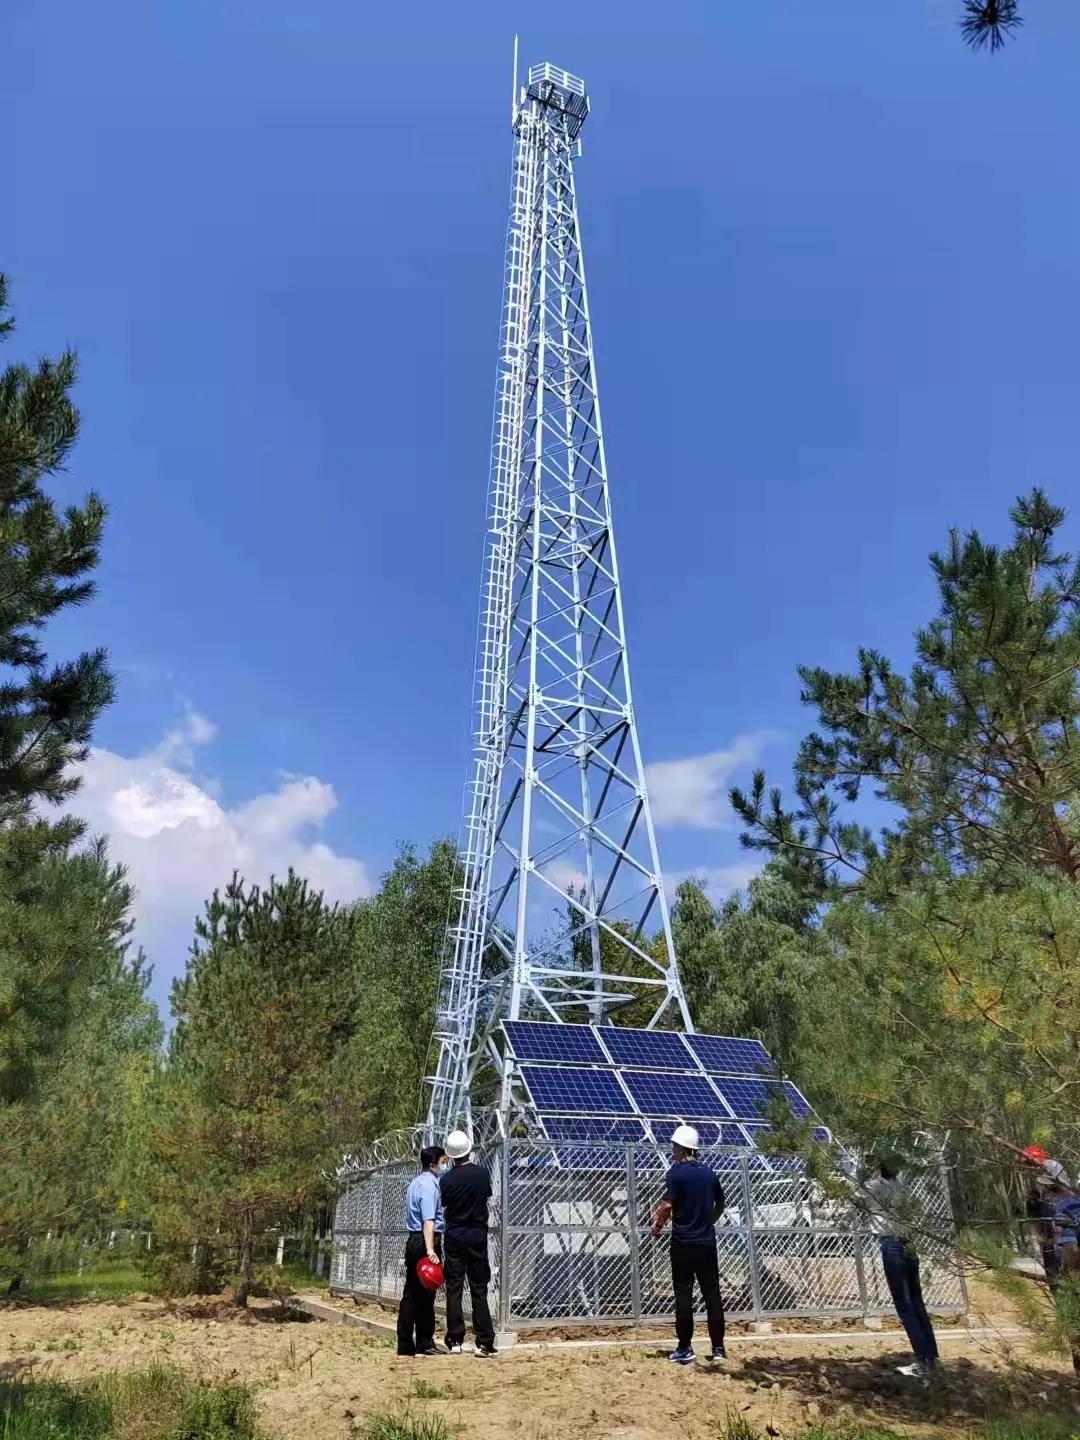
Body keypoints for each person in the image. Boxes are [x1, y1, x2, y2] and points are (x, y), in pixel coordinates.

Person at [650, 1123, 726, 1366]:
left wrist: (657, 1226)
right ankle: (718, 1349)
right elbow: (720, 1205)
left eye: (674, 1146)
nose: (672, 1150)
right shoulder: (710, 1174)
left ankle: (685, 1348)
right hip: (706, 1243)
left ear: (682, 1149)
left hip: (683, 1243)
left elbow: (667, 1205)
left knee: (683, 1294)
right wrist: (707, 1222)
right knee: (712, 1294)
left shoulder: (675, 1174)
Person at [863, 1154, 939, 1378]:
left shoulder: (873, 1186)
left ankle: (922, 1361)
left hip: (891, 1246)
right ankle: (931, 1359)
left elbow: (852, 1191)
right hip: (909, 1245)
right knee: (917, 1303)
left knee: (904, 1306)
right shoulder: (903, 1189)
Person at [439, 1130, 497, 1357]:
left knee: (454, 1288)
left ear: (452, 1155)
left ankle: (455, 1339)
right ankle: (484, 1341)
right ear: (468, 1149)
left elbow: (445, 1204)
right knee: (479, 1288)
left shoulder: (446, 1180)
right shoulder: (482, 1175)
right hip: (476, 1236)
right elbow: (485, 1196)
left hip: (454, 1237)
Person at [396, 1144, 446, 1357]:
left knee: (412, 1294)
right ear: (434, 1164)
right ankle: (423, 1342)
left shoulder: (415, 1183)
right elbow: (428, 1220)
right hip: (425, 1240)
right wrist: (430, 1249)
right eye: (443, 1162)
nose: (445, 1166)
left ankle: (406, 1342)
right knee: (424, 1294)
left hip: (415, 1239)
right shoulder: (429, 1186)